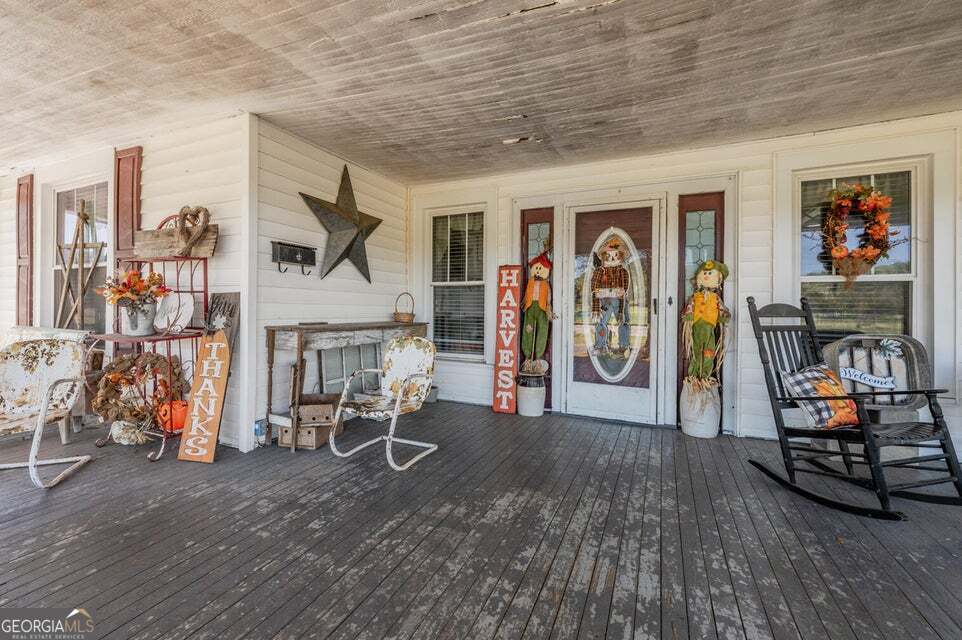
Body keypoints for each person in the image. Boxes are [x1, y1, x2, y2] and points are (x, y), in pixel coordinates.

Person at [590, 238, 630, 356]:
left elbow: (624, 289)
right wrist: (596, 308)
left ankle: (624, 346)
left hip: (619, 302)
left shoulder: (623, 272)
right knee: (600, 322)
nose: (612, 258)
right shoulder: (599, 271)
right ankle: (601, 345)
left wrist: (622, 306)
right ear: (604, 256)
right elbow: (594, 289)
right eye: (609, 255)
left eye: (616, 255)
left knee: (623, 321)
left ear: (620, 256)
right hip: (605, 303)